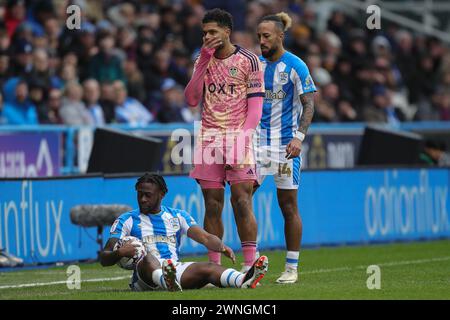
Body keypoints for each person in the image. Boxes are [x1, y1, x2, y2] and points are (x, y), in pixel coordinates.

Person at [184, 8, 265, 271]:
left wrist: (244, 137)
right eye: (204, 32)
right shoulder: (202, 59)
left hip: (238, 136)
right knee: (212, 203)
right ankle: (214, 266)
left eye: (212, 32)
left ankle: (250, 264)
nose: (207, 36)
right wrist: (204, 60)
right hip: (209, 139)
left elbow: (255, 107)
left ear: (226, 32)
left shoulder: (249, 60)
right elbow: (192, 99)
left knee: (241, 200)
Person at [99, 173, 268, 291]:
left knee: (208, 267)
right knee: (148, 259)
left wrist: (222, 247)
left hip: (173, 270)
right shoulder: (126, 220)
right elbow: (104, 258)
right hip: (144, 278)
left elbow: (205, 237)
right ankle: (166, 280)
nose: (143, 199)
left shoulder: (177, 216)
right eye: (140, 195)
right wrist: (120, 252)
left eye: (148, 195)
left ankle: (243, 280)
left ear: (162, 194)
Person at [254, 13, 317, 284]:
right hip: (255, 146)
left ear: (281, 36)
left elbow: (309, 104)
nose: (261, 41)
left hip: (284, 148)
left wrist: (299, 138)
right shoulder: (254, 65)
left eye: (266, 36)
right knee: (240, 198)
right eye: (258, 36)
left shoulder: (295, 65)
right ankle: (250, 260)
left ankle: (291, 267)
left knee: (288, 206)